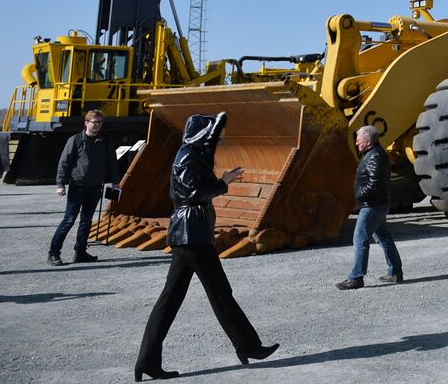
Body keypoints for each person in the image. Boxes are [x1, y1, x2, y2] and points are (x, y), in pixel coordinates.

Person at [136, 113, 277, 380]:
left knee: (172, 301)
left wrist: (221, 180)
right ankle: (248, 346)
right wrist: (223, 182)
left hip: (189, 235)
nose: (219, 137)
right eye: (215, 133)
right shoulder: (188, 155)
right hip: (192, 235)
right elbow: (192, 192)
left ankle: (147, 361)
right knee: (219, 293)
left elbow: (195, 189)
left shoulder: (191, 153)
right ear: (203, 135)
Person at [336, 126, 403, 289]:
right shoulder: (374, 154)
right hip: (377, 204)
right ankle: (395, 272)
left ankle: (356, 278)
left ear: (367, 141)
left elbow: (375, 183)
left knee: (360, 239)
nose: (357, 143)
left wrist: (360, 196)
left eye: (358, 140)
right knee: (384, 238)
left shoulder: (375, 157)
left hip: (372, 206)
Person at [49, 109, 117, 266]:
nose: (97, 125)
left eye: (100, 123)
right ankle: (54, 253)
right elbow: (64, 163)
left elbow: (112, 162)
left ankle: (80, 252)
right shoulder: (75, 140)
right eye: (94, 122)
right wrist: (60, 184)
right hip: (77, 186)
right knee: (69, 220)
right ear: (86, 123)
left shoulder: (105, 141)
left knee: (86, 222)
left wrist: (115, 181)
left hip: (95, 188)